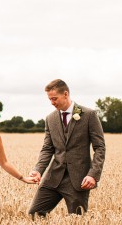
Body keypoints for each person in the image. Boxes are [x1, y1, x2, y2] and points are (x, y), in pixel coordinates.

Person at [27, 79, 106, 217]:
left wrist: (93, 175)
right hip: (53, 177)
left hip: (79, 180)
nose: (52, 102)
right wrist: (38, 170)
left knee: (76, 222)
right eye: (50, 99)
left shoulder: (89, 115)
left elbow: (99, 147)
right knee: (34, 215)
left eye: (54, 98)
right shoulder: (50, 118)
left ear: (65, 94)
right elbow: (47, 148)